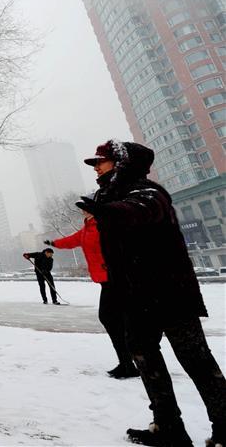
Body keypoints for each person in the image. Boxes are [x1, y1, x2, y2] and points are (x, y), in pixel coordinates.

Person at [77, 140, 225, 447]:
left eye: (101, 162)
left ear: (122, 164)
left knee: (196, 361)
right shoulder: (110, 195)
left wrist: (108, 210)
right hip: (135, 297)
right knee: (144, 358)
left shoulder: (147, 192)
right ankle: (168, 425)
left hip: (170, 295)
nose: (96, 169)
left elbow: (139, 211)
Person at [46, 213, 138, 379]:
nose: (84, 213)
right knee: (113, 319)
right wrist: (53, 243)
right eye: (82, 211)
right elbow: (71, 241)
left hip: (114, 278)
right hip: (106, 280)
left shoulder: (104, 226)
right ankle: (127, 362)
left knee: (111, 318)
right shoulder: (86, 230)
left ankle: (131, 361)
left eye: (87, 209)